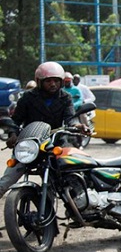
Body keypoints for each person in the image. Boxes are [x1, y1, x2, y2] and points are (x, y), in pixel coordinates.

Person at [0, 62, 87, 198]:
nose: (53, 84)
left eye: (56, 81)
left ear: (61, 82)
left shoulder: (66, 98)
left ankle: (82, 202)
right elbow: (16, 120)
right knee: (8, 178)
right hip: (31, 143)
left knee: (72, 173)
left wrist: (78, 126)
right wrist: (12, 134)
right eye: (48, 81)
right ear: (39, 82)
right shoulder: (28, 97)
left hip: (55, 143)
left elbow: (70, 118)